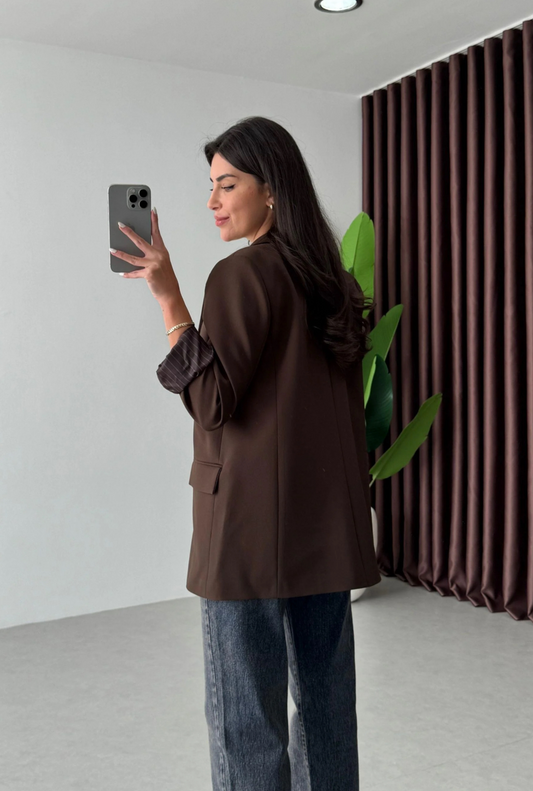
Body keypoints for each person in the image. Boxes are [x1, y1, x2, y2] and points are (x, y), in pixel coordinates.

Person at [111, 116, 381, 791]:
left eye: (227, 184)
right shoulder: (331, 283)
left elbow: (210, 402)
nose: (211, 201)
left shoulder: (240, 275)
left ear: (273, 189)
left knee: (246, 721)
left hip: (245, 531)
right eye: (211, 185)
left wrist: (169, 299)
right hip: (324, 528)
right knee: (326, 709)